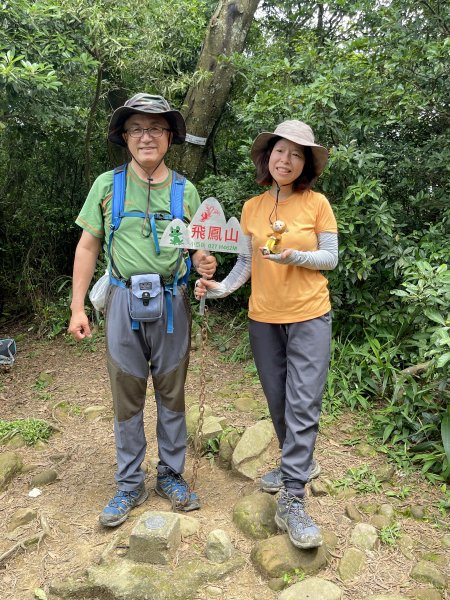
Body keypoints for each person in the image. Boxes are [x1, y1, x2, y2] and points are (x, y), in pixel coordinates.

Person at [68, 93, 216, 527]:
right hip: (120, 301)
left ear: (170, 137)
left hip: (173, 302)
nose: (145, 137)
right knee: (127, 393)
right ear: (125, 137)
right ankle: (130, 483)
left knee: (172, 393)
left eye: (155, 129)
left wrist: (205, 262)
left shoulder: (186, 191)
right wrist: (78, 308)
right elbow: (88, 245)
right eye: (137, 128)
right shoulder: (106, 185)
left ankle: (170, 474)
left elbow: (200, 251)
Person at [195, 120, 338, 549]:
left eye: (297, 155)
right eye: (281, 151)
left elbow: (330, 258)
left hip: (310, 315)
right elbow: (244, 264)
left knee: (303, 402)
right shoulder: (252, 208)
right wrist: (219, 289)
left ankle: (293, 496)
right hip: (263, 319)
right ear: (267, 156)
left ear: (305, 163)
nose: (287, 160)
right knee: (279, 401)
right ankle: (299, 464)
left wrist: (296, 256)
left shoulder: (317, 204)